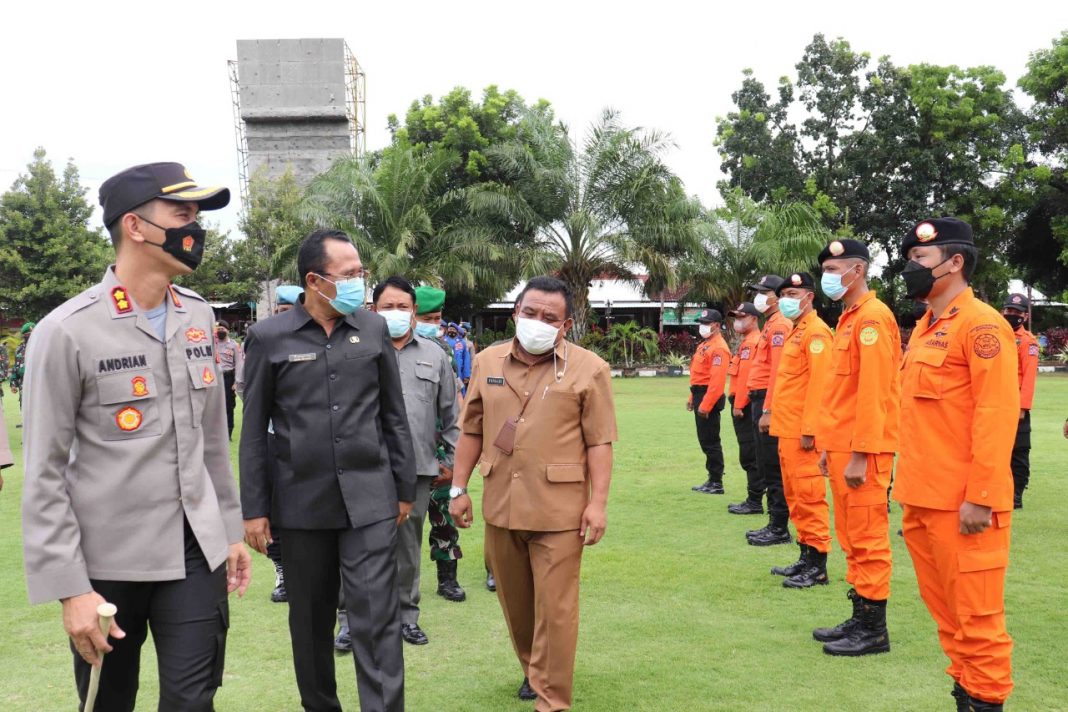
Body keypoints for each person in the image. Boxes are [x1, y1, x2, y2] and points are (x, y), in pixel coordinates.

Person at [21, 162, 250, 710]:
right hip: (106, 564)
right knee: (109, 702)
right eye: (183, 214)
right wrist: (72, 589)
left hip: (194, 552)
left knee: (194, 700)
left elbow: (212, 442)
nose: (196, 228)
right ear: (136, 226)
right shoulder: (67, 330)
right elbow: (45, 474)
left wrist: (232, 532)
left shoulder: (197, 316)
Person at [240, 228, 416, 712]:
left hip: (370, 498)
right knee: (311, 621)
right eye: (351, 274)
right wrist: (254, 508)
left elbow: (393, 415)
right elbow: (253, 429)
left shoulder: (373, 329)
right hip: (300, 504)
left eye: (362, 272)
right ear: (315, 280)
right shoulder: (269, 337)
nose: (361, 282)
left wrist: (403, 488)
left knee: (378, 617)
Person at [449, 276, 617, 711]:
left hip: (560, 511)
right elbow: (471, 429)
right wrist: (457, 489)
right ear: (515, 314)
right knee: (517, 606)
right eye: (530, 313)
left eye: (550, 318)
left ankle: (552, 699)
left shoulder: (589, 369)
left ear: (566, 324)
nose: (538, 323)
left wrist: (597, 505)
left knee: (556, 610)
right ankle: (534, 670)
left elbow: (600, 441)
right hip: (500, 505)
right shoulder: (487, 362)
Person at [895, 218, 1018, 711]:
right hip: (922, 499)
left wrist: (981, 496)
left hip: (963, 505)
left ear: (955, 262)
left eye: (920, 260)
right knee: (948, 618)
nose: (911, 269)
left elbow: (996, 414)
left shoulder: (982, 324)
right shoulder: (926, 327)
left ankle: (985, 700)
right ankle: (965, 696)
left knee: (978, 623)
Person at [812, 238, 900, 656]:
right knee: (850, 536)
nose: (829, 276)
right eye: (826, 269)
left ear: (858, 270)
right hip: (844, 445)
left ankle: (873, 630)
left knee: (868, 538)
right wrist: (831, 447)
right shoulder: (848, 318)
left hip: (865, 450)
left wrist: (862, 454)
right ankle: (860, 613)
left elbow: (874, 393)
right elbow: (840, 394)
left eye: (836, 268)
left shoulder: (872, 320)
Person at [370, 277, 461, 646]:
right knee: (357, 547)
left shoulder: (435, 354)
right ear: (373, 310)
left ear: (413, 310)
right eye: (387, 306)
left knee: (408, 549)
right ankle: (350, 619)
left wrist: (452, 461)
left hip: (418, 469)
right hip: (364, 467)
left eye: (402, 306)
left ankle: (407, 615)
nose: (396, 313)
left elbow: (452, 415)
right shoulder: (358, 350)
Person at [768, 273, 834, 589]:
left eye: (792, 293)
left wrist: (811, 429)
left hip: (802, 433)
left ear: (808, 296)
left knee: (809, 496)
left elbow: (821, 386)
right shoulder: (798, 332)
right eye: (784, 294)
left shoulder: (817, 333)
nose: (786, 299)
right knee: (795, 497)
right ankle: (805, 556)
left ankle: (818, 566)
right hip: (787, 429)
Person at [412, 287, 468, 603]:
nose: (433, 324)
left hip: (439, 448)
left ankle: (448, 579)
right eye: (426, 318)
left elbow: (454, 404)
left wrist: (452, 456)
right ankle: (399, 587)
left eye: (437, 318)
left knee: (442, 514)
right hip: (407, 449)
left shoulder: (444, 351)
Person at [732, 275, 793, 547]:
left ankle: (779, 526)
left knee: (772, 464)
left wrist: (768, 407)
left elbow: (778, 371)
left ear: (777, 296)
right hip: (758, 399)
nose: (759, 297)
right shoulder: (770, 324)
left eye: (764, 292)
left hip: (766, 401)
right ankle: (773, 522)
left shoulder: (779, 325)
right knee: (765, 462)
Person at [1001, 293, 1039, 509]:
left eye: (1016, 312)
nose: (1012, 315)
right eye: (1009, 311)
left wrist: (1023, 407)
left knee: (1019, 451)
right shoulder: (995, 334)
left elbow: (1029, 375)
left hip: (1015, 404)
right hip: (995, 401)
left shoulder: (1027, 342)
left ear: (1025, 315)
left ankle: (1016, 496)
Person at [687, 309, 731, 494]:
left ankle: (716, 481)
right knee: (705, 439)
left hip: (708, 396)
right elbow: (699, 374)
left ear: (716, 325)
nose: (702, 326)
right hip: (699, 393)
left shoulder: (719, 347)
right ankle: (712, 478)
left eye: (706, 323)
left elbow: (717, 381)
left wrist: (705, 404)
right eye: (701, 322)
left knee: (711, 440)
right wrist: (692, 397)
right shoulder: (705, 344)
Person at [726, 302, 762, 502]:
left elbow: (748, 376)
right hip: (745, 403)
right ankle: (754, 496)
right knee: (750, 450)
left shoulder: (751, 343)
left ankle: (754, 498)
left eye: (741, 317)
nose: (737, 322)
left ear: (754, 319)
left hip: (745, 405)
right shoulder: (748, 341)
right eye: (736, 318)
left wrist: (739, 404)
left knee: (749, 451)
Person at [214, 321, 243, 439]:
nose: (220, 331)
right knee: (214, 405)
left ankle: (228, 432)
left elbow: (239, 363)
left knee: (229, 406)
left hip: (228, 378)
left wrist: (236, 382)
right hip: (214, 378)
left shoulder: (234, 345)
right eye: (218, 328)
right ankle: (215, 432)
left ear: (228, 330)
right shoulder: (213, 344)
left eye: (223, 329)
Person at [9, 321, 33, 414]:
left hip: (39, 386)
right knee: (25, 413)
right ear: (24, 336)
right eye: (28, 335)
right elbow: (16, 368)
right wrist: (13, 384)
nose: (30, 337)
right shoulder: (20, 349)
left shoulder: (41, 347)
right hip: (24, 386)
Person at [444, 322, 472, 393]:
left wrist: (467, 375)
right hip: (445, 371)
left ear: (457, 331)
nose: (451, 331)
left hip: (460, 373)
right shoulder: (443, 341)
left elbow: (466, 359)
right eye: (450, 329)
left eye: (453, 329)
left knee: (460, 392)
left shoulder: (462, 343)